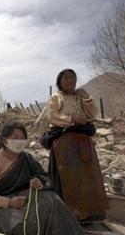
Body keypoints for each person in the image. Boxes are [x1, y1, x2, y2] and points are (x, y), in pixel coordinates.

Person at [38, 69, 108, 224]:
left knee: (88, 176)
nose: (70, 81)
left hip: (83, 143)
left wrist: (88, 99)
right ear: (60, 81)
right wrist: (72, 119)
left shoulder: (80, 97)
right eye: (67, 78)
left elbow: (92, 115)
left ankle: (89, 215)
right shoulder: (55, 98)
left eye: (73, 78)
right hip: (64, 143)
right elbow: (52, 116)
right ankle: (67, 215)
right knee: (66, 178)